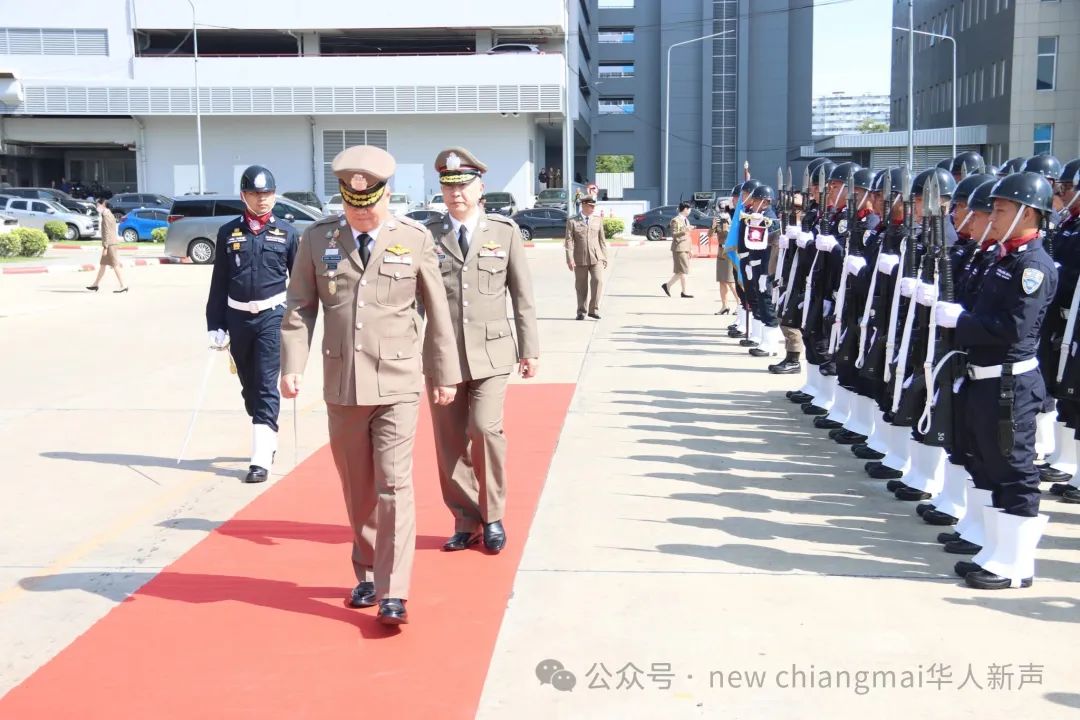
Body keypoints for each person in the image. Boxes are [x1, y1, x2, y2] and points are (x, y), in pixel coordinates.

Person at [280, 145, 461, 625]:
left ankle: (393, 591)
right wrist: (292, 365)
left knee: (394, 484)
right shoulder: (319, 239)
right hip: (342, 385)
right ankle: (366, 573)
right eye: (352, 207)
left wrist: (443, 373)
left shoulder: (415, 238)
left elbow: (437, 312)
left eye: (370, 207)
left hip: (399, 382)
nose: (360, 216)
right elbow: (300, 306)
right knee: (358, 486)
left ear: (386, 197)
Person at [933, 171, 1058, 590]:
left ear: (1028, 213)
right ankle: (995, 549)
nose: (993, 215)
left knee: (1014, 469)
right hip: (984, 377)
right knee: (986, 460)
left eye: (1002, 209)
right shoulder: (1004, 258)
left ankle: (1017, 563)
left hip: (1011, 384)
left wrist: (962, 322)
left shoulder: (1032, 266)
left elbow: (1014, 328)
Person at [424, 147, 540, 555]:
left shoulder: (503, 232)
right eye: (448, 185)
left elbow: (522, 296)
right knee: (450, 441)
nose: (456, 193)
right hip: (443, 356)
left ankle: (492, 517)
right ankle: (465, 519)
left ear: (481, 187)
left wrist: (530, 348)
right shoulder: (427, 236)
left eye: (463, 185)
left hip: (492, 354)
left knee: (485, 430)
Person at [205, 165, 299, 483]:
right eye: (256, 194)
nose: (263, 200)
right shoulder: (228, 232)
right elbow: (219, 282)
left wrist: (299, 322)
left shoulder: (286, 233)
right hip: (237, 317)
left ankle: (260, 458)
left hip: (273, 316)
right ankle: (266, 433)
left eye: (268, 193)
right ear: (244, 196)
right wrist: (214, 323)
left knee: (265, 384)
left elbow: (298, 284)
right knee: (249, 387)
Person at [565, 193, 608, 320]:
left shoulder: (598, 220)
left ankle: (593, 310)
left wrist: (604, 257)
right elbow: (569, 241)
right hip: (579, 258)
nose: (593, 208)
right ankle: (581, 311)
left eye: (594, 205)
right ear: (583, 205)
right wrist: (569, 259)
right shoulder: (572, 221)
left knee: (598, 281)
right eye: (590, 206)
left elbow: (602, 240)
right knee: (581, 286)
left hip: (596, 257)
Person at [86, 198, 127, 293]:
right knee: (103, 265)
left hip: (110, 244)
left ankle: (123, 285)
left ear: (103, 205)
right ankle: (95, 284)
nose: (96, 207)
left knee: (115, 265)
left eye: (97, 205)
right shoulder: (109, 214)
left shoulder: (106, 215)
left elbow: (107, 231)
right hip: (111, 243)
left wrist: (105, 246)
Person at [662, 202, 694, 298]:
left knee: (680, 271)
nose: (690, 211)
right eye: (689, 209)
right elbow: (674, 234)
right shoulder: (675, 220)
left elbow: (688, 236)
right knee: (683, 271)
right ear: (685, 209)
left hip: (685, 247)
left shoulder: (686, 220)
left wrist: (690, 249)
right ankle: (684, 292)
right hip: (679, 248)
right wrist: (686, 230)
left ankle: (667, 286)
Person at [713, 205, 737, 315]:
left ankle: (740, 304)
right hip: (720, 252)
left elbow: (731, 237)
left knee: (731, 281)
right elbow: (710, 235)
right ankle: (724, 306)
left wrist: (728, 225)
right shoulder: (718, 222)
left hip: (730, 252)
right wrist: (713, 226)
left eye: (724, 210)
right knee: (722, 281)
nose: (722, 213)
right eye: (720, 210)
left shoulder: (733, 223)